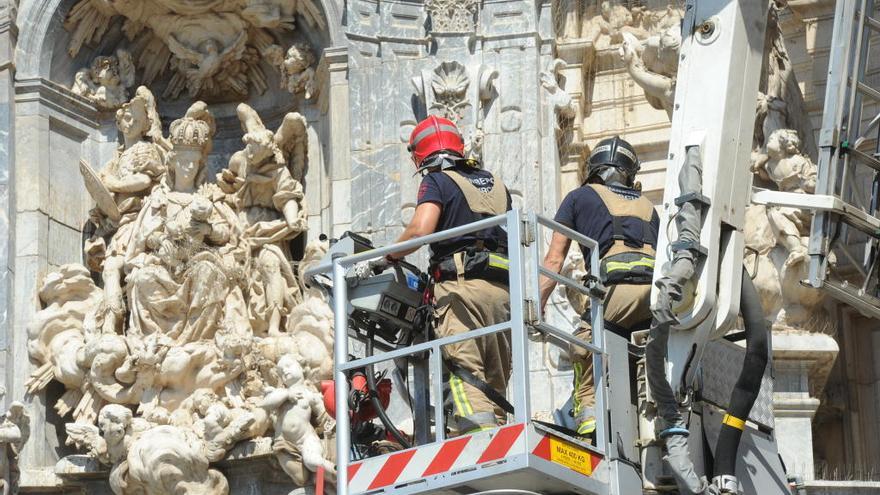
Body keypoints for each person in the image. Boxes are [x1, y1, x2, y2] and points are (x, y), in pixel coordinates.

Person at [378, 115, 513, 435]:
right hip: (501, 292)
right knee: (493, 381)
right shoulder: (495, 183)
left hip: (460, 292)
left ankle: (479, 443)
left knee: (464, 373)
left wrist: (384, 258)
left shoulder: (437, 181)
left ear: (420, 156)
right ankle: (498, 436)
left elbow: (420, 229)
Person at [539, 136, 659, 440]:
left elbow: (554, 260)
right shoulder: (649, 207)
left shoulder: (580, 197)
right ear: (630, 173)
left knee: (584, 347)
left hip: (615, 294)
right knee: (636, 357)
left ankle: (590, 425)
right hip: (653, 299)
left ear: (594, 169)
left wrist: (536, 303)